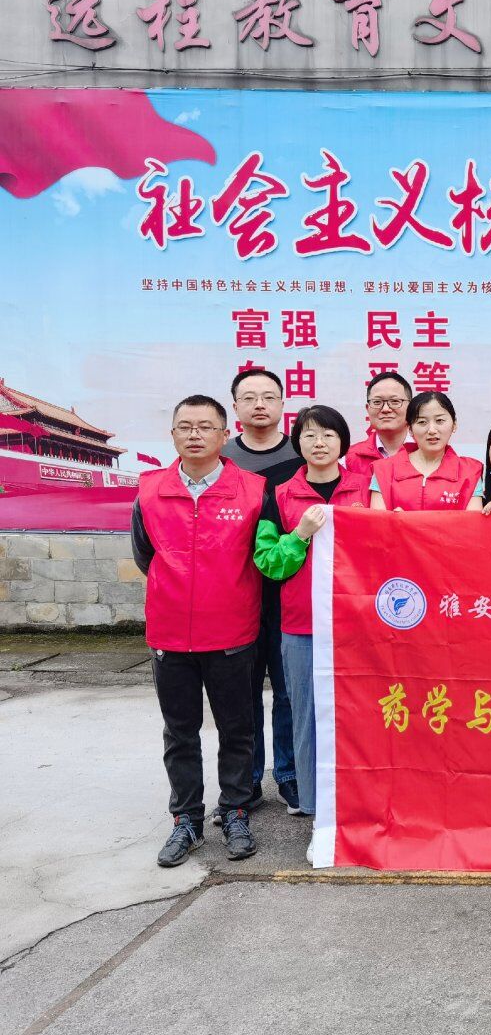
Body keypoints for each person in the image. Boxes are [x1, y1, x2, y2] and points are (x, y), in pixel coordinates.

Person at [131, 395, 269, 866]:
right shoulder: (150, 490)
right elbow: (145, 555)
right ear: (172, 434)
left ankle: (235, 811)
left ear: (225, 435)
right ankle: (186, 820)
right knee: (180, 732)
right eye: (185, 426)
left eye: (206, 426)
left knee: (237, 729)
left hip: (231, 630)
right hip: (170, 632)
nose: (195, 434)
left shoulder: (253, 491)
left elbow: (261, 555)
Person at [253, 406, 370, 827]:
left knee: (360, 712)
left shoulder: (365, 489)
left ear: (343, 442)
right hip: (301, 624)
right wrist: (299, 535)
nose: (319, 443)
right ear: (297, 443)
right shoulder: (281, 495)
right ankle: (312, 802)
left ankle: (359, 797)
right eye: (309, 435)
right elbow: (268, 562)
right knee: (303, 712)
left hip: (357, 624)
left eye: (328, 435)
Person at [224, 368, 298, 817]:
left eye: (268, 396)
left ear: (282, 403)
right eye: (249, 397)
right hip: (238, 592)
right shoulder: (223, 458)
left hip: (289, 593)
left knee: (288, 691)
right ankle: (247, 781)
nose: (259, 404)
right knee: (243, 693)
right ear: (235, 406)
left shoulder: (302, 452)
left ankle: (288, 775)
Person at [369, 392, 484, 512]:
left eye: (440, 420)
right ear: (410, 429)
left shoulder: (470, 472)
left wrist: (406, 521)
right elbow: (378, 521)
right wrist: (395, 521)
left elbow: (471, 522)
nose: (432, 430)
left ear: (454, 424)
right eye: (422, 422)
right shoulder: (384, 470)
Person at [344, 371, 414, 475]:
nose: (385, 409)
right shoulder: (349, 459)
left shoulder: (428, 451)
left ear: (411, 407)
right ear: (368, 409)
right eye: (377, 402)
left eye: (395, 401)